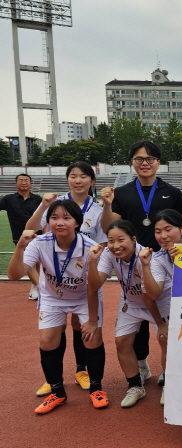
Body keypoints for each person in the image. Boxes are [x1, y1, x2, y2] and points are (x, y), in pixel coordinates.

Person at [8, 200, 108, 413]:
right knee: (47, 341)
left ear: (78, 222)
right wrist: (20, 246)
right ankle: (57, 392)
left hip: (84, 296)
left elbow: (93, 288)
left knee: (93, 338)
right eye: (54, 218)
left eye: (66, 218)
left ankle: (97, 389)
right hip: (53, 298)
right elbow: (14, 275)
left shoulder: (91, 248)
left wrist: (91, 321)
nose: (59, 222)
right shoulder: (39, 243)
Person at [100, 140, 182, 385]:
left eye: (150, 159)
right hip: (133, 262)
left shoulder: (173, 192)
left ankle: (168, 371)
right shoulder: (123, 193)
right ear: (132, 163)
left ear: (159, 163)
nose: (145, 164)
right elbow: (109, 226)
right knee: (137, 322)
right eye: (139, 159)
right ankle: (141, 366)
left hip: (166, 263)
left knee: (167, 327)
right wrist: (107, 204)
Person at [25, 162, 107, 397]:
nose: (78, 180)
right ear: (67, 179)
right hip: (55, 278)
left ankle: (82, 371)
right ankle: (54, 382)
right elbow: (31, 230)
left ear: (92, 180)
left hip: (82, 274)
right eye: (73, 176)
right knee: (53, 329)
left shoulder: (98, 209)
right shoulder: (55, 205)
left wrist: (89, 264)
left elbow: (100, 243)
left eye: (83, 176)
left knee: (81, 327)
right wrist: (43, 206)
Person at [87, 220, 170, 408]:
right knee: (121, 341)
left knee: (165, 338)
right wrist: (92, 261)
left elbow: (150, 295)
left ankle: (170, 384)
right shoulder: (108, 254)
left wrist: (161, 323)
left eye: (121, 240)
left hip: (159, 302)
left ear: (133, 240)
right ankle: (135, 386)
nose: (116, 246)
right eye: (110, 240)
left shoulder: (148, 257)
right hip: (131, 301)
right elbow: (94, 285)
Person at [139, 209, 182, 406]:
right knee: (166, 340)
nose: (162, 236)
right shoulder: (159, 259)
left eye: (168, 229)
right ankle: (170, 386)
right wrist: (145, 265)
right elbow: (153, 294)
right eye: (158, 231)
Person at [0, 173, 41, 299]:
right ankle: (40, 288)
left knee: (38, 263)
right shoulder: (8, 199)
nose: (24, 182)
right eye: (21, 180)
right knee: (29, 263)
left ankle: (35, 287)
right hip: (20, 237)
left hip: (37, 235)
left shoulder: (38, 199)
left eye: (26, 180)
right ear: (16, 184)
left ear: (31, 184)